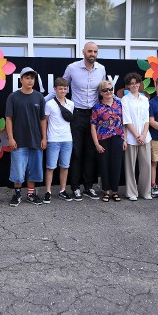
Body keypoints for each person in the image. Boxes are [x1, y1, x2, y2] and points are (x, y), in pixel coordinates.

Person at [48, 42, 107, 201]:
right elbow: (61, 87)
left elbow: (104, 90)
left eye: (95, 51)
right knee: (76, 151)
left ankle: (88, 187)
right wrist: (43, 100)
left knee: (90, 152)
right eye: (89, 51)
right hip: (77, 114)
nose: (92, 54)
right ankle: (74, 187)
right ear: (83, 52)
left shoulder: (101, 69)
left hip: (94, 115)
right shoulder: (72, 68)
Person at [5, 67, 47, 207]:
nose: (30, 81)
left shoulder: (39, 97)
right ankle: (17, 194)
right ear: (21, 79)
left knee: (34, 169)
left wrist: (44, 138)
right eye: (27, 78)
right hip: (19, 140)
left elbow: (43, 119)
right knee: (18, 169)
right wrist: (10, 138)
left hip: (36, 140)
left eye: (32, 78)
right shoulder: (13, 97)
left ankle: (30, 194)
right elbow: (9, 118)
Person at [91, 80, 126, 202]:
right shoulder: (97, 107)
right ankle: (106, 191)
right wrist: (96, 143)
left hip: (117, 138)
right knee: (104, 165)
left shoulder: (119, 105)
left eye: (110, 89)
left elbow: (123, 124)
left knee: (116, 165)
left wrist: (124, 140)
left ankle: (115, 191)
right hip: (103, 139)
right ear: (101, 92)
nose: (108, 92)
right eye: (105, 90)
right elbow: (93, 126)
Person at [43, 77, 74, 203]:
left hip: (67, 139)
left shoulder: (71, 104)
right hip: (53, 139)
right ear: (55, 89)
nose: (63, 91)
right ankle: (48, 191)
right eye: (60, 88)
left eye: (65, 88)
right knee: (50, 167)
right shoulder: (49, 104)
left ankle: (62, 190)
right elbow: (45, 121)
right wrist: (44, 137)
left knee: (65, 166)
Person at [122, 72, 152, 201]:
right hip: (131, 137)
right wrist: (136, 136)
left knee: (146, 165)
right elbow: (127, 120)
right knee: (130, 166)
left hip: (145, 137)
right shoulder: (125, 100)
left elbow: (146, 119)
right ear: (128, 86)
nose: (134, 85)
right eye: (131, 83)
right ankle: (131, 192)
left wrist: (144, 135)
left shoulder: (144, 99)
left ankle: (146, 192)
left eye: (136, 83)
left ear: (139, 84)